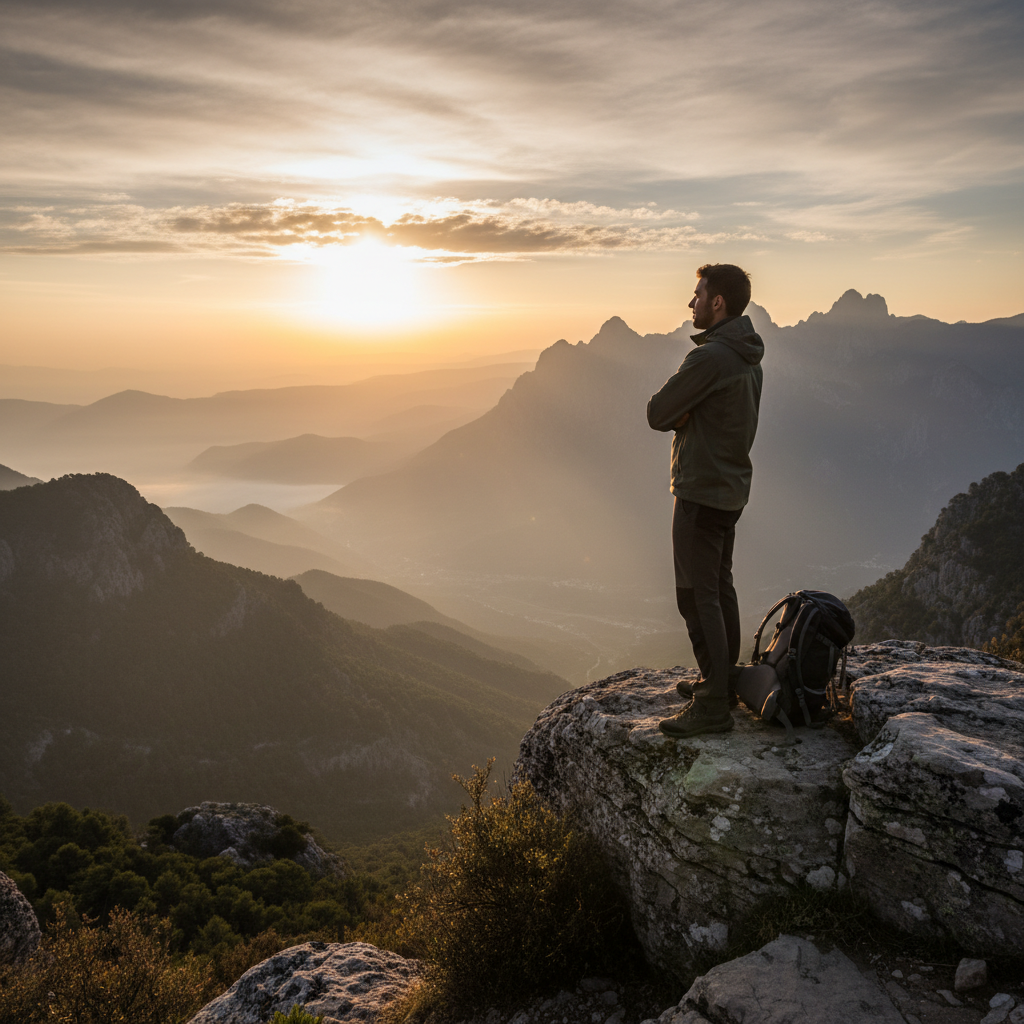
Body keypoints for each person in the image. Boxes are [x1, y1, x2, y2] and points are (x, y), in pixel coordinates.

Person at [646, 263, 763, 738]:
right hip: (730, 487)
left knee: (695, 595)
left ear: (718, 303)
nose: (690, 303)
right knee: (719, 588)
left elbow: (657, 412)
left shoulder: (710, 359)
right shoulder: (747, 354)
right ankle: (722, 681)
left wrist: (684, 413)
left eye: (697, 295)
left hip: (701, 489)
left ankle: (714, 703)